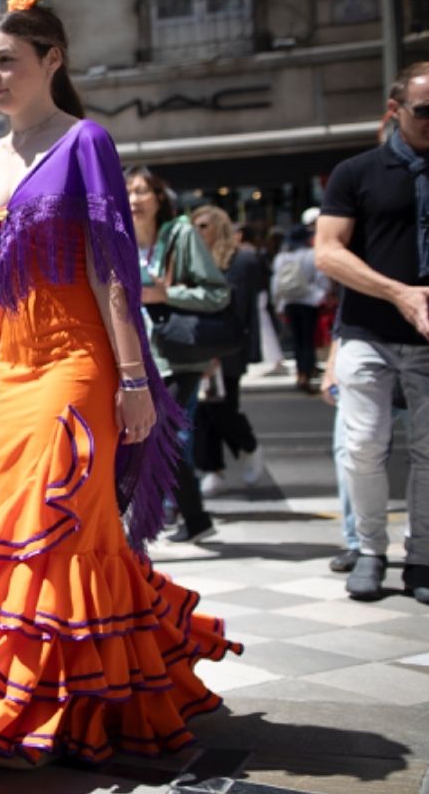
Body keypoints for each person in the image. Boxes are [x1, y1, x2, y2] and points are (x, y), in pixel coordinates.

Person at [0, 0, 240, 766]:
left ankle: (47, 702)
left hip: (80, 361)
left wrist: (132, 378)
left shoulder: (85, 142)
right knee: (43, 535)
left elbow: (110, 270)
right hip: (14, 369)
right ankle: (97, 681)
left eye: (8, 60)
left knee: (53, 521)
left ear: (51, 59)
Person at [316, 62, 429, 606]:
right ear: (396, 111)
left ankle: (422, 560)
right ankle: (370, 551)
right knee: (362, 445)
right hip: (366, 333)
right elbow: (329, 252)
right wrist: (400, 292)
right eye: (427, 110)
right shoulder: (356, 172)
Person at [128, 167, 231, 544]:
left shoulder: (180, 235)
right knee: (159, 438)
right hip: (136, 360)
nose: (134, 199)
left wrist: (165, 295)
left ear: (159, 198)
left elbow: (217, 293)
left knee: (155, 436)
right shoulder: (118, 241)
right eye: (127, 192)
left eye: (142, 191)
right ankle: (197, 518)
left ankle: (140, 529)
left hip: (179, 356)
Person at [191, 206, 264, 495]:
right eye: (195, 226)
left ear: (219, 227)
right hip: (196, 348)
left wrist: (220, 352)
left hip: (228, 349)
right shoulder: (193, 261)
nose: (199, 231)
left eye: (205, 225)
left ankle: (249, 446)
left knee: (222, 409)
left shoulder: (241, 261)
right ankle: (212, 468)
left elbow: (242, 311)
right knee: (200, 414)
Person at [271, 219, 327, 392]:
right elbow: (321, 279)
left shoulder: (281, 257)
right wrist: (321, 296)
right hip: (309, 302)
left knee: (296, 341)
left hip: (289, 302)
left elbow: (276, 282)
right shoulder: (311, 254)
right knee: (308, 340)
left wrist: (278, 304)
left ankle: (299, 373)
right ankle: (307, 374)